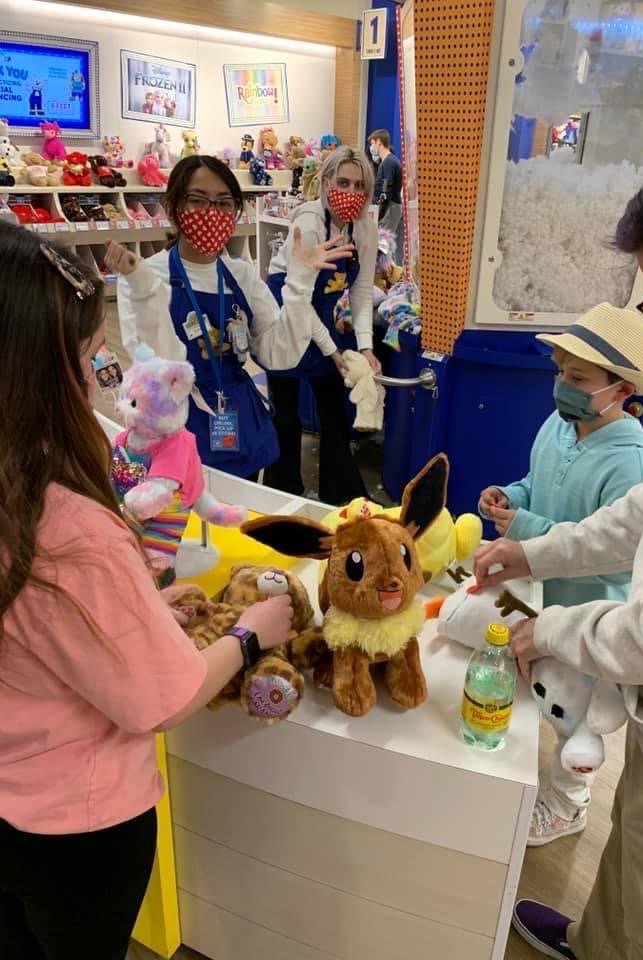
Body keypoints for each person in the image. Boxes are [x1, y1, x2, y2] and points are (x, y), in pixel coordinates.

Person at [0, 222, 293, 960]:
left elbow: (38, 633)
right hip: (76, 823)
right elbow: (160, 698)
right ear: (39, 371)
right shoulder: (68, 528)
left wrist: (132, 608)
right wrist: (252, 634)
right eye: (90, 361)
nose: (100, 383)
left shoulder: (23, 498)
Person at [474, 132, 643, 960]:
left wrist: (547, 629)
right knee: (636, 854)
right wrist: (532, 553)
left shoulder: (628, 445)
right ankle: (596, 939)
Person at [478, 304, 643, 846]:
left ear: (621, 389)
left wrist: (527, 528)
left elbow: (621, 554)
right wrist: (512, 495)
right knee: (539, 688)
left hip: (589, 613)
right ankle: (524, 772)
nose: (562, 385)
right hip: (539, 593)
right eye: (560, 371)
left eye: (578, 377)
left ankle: (568, 803)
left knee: (577, 718)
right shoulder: (559, 426)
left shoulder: (633, 461)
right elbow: (536, 484)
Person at [113, 154, 355, 481]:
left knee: (241, 505)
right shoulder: (146, 278)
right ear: (173, 207)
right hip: (175, 420)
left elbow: (277, 354)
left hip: (237, 415)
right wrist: (143, 289)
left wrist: (300, 283)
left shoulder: (241, 274)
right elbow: (154, 367)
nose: (212, 212)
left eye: (224, 203)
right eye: (198, 200)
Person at [263, 146, 380, 505]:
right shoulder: (310, 221)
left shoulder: (365, 228)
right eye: (343, 182)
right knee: (286, 413)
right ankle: (282, 494)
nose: (351, 192)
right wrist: (331, 350)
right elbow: (297, 297)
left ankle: (340, 493)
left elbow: (361, 291)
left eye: (359, 185)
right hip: (286, 310)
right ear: (327, 182)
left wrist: (365, 347)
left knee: (334, 408)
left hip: (321, 312)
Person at [368, 129, 403, 231]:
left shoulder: (389, 162)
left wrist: (379, 213)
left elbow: (386, 191)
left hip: (390, 208)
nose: (371, 147)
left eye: (372, 144)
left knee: (383, 239)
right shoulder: (386, 162)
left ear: (379, 142)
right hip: (388, 208)